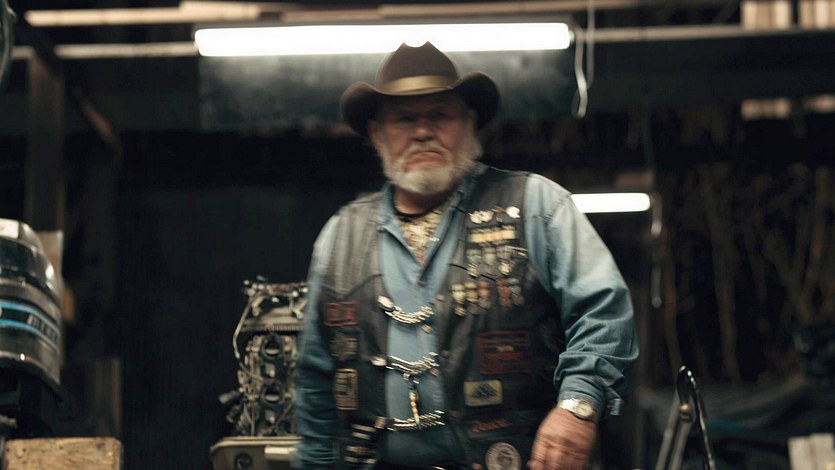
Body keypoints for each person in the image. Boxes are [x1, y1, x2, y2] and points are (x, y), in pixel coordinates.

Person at [293, 41, 638, 470]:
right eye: (405, 119)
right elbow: (315, 380)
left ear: (470, 124)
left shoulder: (536, 206)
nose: (423, 132)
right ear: (378, 134)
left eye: (439, 115)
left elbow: (603, 312)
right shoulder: (340, 235)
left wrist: (578, 405)